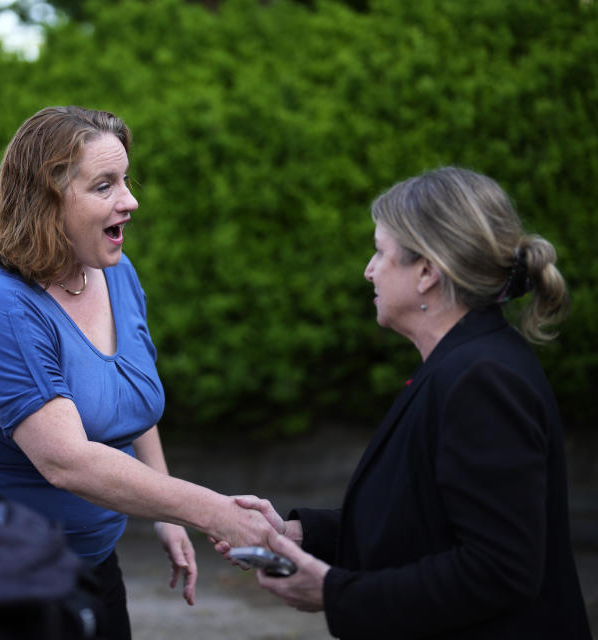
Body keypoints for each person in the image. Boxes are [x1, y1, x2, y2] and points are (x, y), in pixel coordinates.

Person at [0, 105, 283, 639]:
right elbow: (67, 461)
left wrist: (165, 509)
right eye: (105, 186)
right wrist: (212, 511)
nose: (131, 200)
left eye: (125, 180)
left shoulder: (115, 272)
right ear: (45, 200)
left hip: (89, 564)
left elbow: (126, 400)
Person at [231, 167, 591, 638]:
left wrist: (334, 592)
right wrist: (300, 535)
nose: (368, 269)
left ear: (427, 272)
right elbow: (422, 521)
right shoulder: (460, 364)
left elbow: (499, 570)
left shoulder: (482, 380)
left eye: (380, 253)